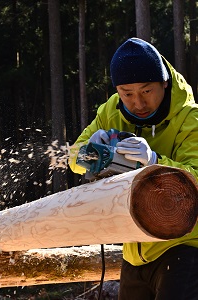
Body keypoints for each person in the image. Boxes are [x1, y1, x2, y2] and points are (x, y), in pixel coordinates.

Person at [69, 37, 198, 300]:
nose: (138, 103)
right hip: (134, 252)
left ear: (164, 82)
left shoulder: (191, 118)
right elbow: (73, 158)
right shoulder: (110, 112)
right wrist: (88, 153)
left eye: (146, 91)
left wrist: (154, 162)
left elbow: (196, 176)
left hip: (185, 247)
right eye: (127, 93)